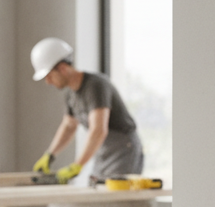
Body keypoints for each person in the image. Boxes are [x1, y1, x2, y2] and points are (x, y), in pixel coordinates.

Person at [30, 37, 144, 183]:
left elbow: (98, 130)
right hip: (104, 151)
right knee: (98, 196)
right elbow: (69, 126)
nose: (48, 82)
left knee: (115, 200)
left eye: (49, 76)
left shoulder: (96, 86)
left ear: (63, 68)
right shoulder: (72, 94)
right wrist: (50, 154)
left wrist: (77, 166)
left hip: (123, 151)